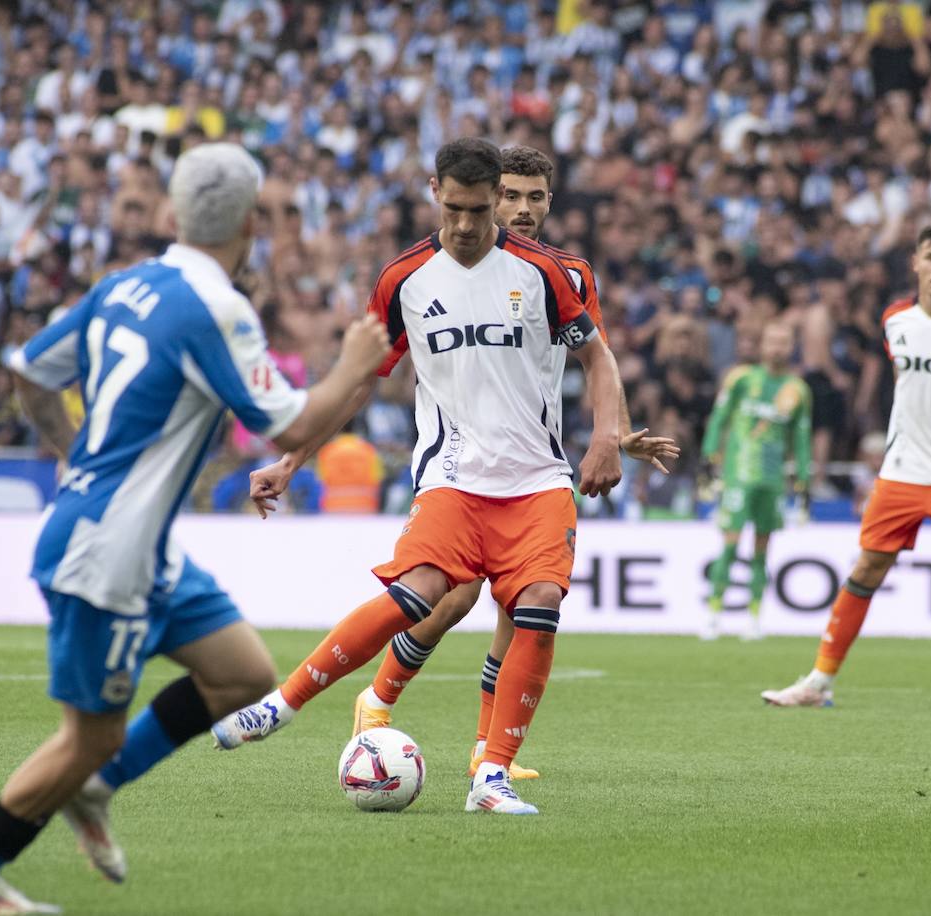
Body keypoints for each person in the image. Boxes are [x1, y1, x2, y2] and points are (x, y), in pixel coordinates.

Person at [0, 142, 391, 914]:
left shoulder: (125, 286)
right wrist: (350, 361)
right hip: (107, 554)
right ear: (250, 222)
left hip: (141, 545)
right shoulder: (215, 306)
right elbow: (290, 425)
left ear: (174, 213)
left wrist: (74, 456)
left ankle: (97, 791)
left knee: (241, 674)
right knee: (88, 739)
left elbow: (31, 372)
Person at [211, 138, 626, 817]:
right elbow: (357, 384)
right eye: (454, 207)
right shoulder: (403, 278)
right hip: (454, 478)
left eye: (479, 208)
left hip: (538, 479)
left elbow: (598, 360)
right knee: (421, 596)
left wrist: (607, 437)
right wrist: (292, 459)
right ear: (434, 190)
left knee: (539, 607)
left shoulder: (544, 273)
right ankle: (280, 707)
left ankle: (490, 776)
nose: (465, 224)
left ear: (498, 197)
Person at [341, 146, 679, 781]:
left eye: (536, 198)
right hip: (460, 457)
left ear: (551, 202)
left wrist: (618, 434)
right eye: (512, 197)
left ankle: (484, 754)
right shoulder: (446, 268)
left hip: (532, 462)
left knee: (518, 609)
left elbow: (595, 357)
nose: (522, 210)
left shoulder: (568, 274)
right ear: (492, 197)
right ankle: (378, 698)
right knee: (455, 594)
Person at [762, 224, 931, 707]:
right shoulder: (895, 318)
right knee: (865, 569)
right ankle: (818, 683)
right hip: (902, 469)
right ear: (916, 263)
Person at [700, 322, 812, 641]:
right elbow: (719, 419)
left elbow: (801, 441)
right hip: (739, 475)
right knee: (731, 545)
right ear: (761, 345)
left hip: (772, 480)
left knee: (763, 550)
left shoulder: (798, 390)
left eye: (784, 341)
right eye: (772, 340)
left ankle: (754, 617)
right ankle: (714, 613)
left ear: (792, 346)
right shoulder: (741, 379)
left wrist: (803, 482)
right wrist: (709, 458)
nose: (777, 347)